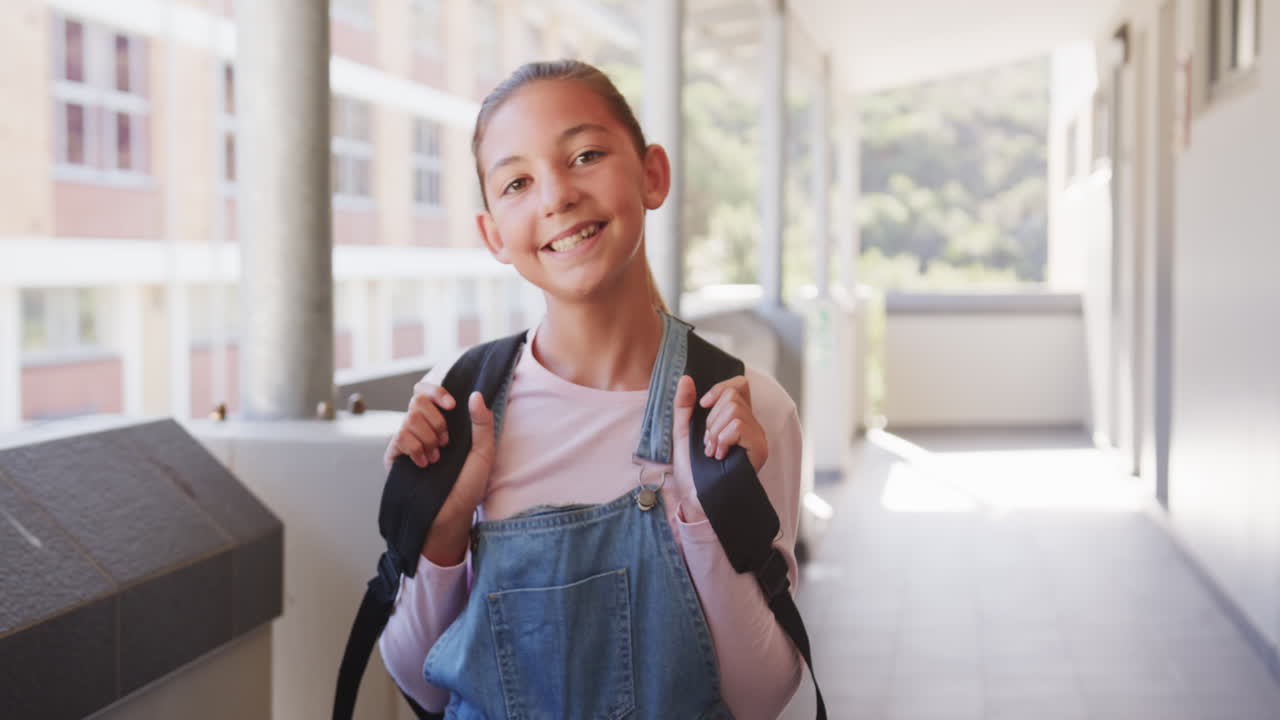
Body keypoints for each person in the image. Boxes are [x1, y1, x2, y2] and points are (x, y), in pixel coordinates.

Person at [378, 59, 804, 719]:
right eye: (517, 181)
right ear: (493, 233)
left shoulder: (747, 409)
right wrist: (443, 533)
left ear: (652, 174)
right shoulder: (461, 403)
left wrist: (702, 505)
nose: (555, 196)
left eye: (585, 155)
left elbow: (760, 697)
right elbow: (422, 683)